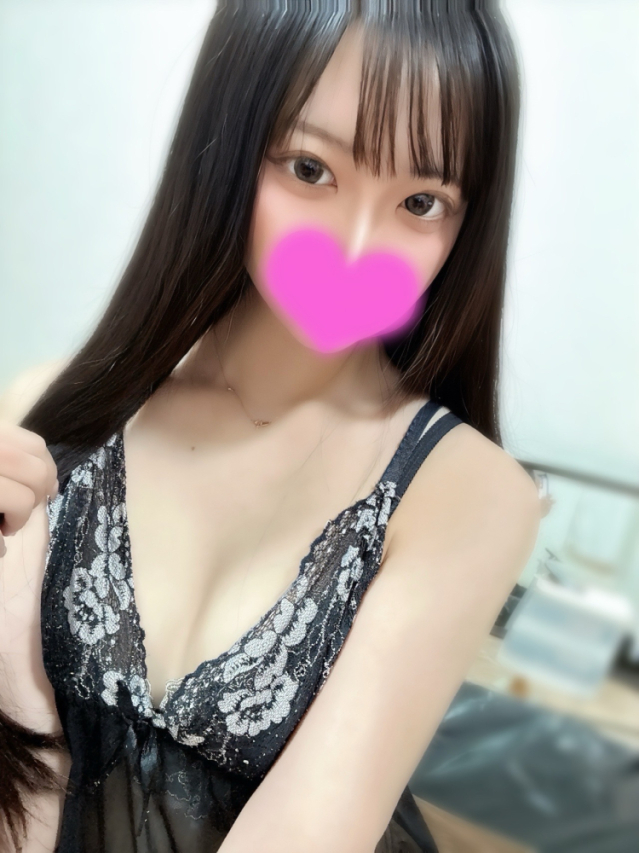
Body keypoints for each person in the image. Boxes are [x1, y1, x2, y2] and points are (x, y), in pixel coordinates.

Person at [0, 1, 541, 851]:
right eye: (310, 168)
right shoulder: (43, 420)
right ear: (227, 145)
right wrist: (19, 696)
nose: (356, 246)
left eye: (420, 201)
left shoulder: (465, 493)